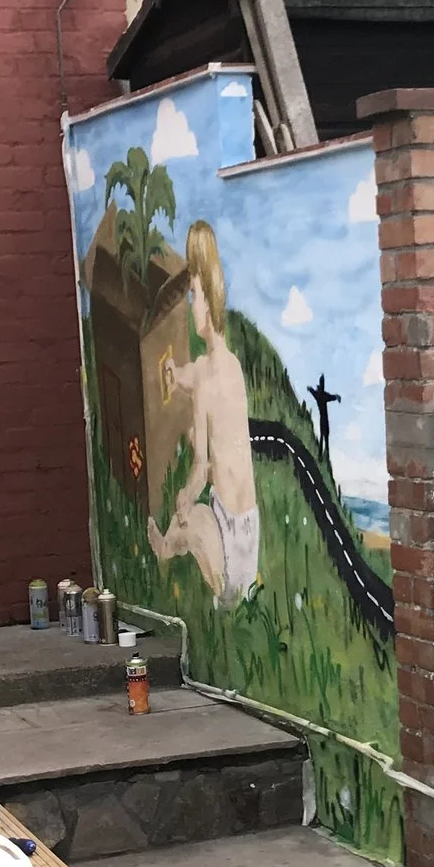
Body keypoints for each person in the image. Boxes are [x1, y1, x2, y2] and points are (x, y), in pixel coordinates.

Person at [149, 219, 259, 605]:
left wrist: (184, 496)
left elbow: (200, 468)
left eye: (193, 295)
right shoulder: (230, 368)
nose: (190, 304)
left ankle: (165, 547)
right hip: (249, 535)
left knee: (189, 517)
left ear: (208, 301)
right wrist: (173, 373)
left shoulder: (206, 384)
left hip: (226, 546)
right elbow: (190, 374)